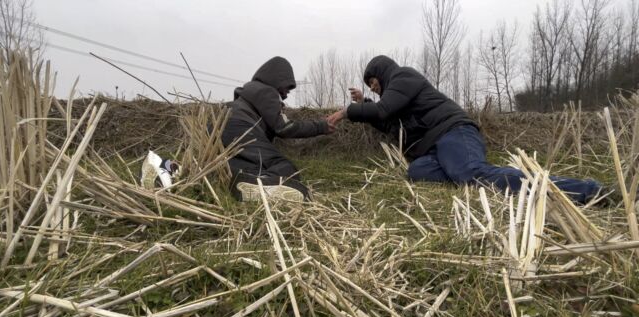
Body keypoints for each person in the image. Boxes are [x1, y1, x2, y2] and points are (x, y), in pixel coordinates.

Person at [326, 55, 603, 204]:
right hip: (434, 149)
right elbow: (387, 123)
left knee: (471, 173)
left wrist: (348, 111)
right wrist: (366, 104)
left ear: (382, 72)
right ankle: (471, 178)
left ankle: (587, 191)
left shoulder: (403, 76)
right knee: (417, 172)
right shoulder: (394, 94)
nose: (373, 88)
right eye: (370, 87)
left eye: (373, 83)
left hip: (453, 132)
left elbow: (384, 109)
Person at [222, 56, 334, 202]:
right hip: (242, 128)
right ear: (277, 79)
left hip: (222, 128)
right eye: (287, 87)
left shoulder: (250, 92)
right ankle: (262, 185)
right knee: (285, 167)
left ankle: (240, 182)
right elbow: (284, 128)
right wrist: (321, 126)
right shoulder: (267, 92)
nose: (287, 93)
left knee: (248, 165)